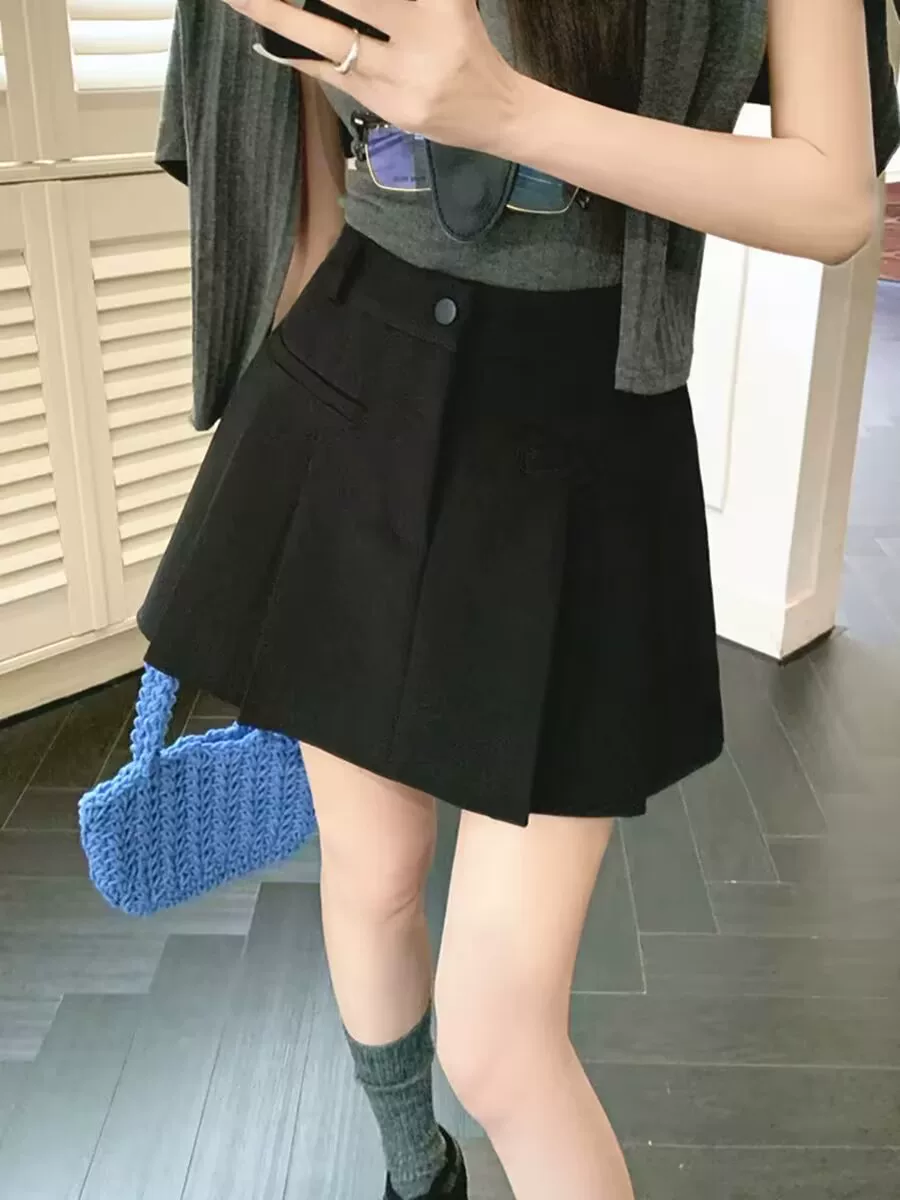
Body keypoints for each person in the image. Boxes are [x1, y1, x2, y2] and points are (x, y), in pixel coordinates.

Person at [140, 2, 898, 1197]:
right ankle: (414, 1173)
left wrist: (502, 112)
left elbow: (834, 199)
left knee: (498, 1036)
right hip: (352, 385)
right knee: (372, 873)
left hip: (583, 420)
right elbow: (300, 197)